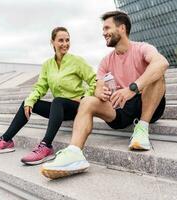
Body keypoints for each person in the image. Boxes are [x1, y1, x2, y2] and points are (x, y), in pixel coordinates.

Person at [40, 11, 169, 179]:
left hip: (148, 104)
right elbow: (98, 85)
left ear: (122, 28)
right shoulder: (106, 61)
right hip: (121, 110)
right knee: (87, 101)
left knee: (157, 74)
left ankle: (142, 129)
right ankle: (74, 154)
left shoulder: (143, 48)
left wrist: (132, 89)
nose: (104, 33)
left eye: (107, 28)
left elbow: (162, 63)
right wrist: (100, 92)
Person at [0, 27, 96, 165]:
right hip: (59, 109)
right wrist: (30, 101)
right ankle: (6, 140)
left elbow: (94, 80)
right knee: (28, 103)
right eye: (61, 40)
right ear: (52, 42)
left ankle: (46, 146)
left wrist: (84, 99)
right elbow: (40, 87)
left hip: (76, 108)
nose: (65, 44)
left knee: (57, 101)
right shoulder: (47, 65)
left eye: (67, 40)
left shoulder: (77, 61)